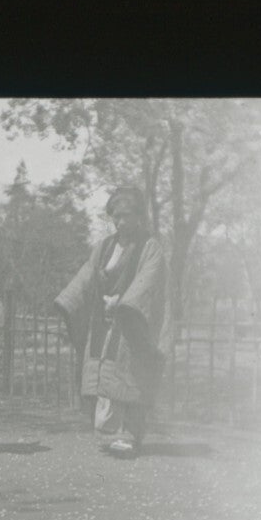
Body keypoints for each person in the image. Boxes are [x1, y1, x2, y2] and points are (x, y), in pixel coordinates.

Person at [54, 185, 172, 458]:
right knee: (106, 372)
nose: (121, 222)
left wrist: (124, 302)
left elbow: (148, 281)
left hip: (132, 319)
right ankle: (113, 430)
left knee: (131, 374)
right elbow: (88, 275)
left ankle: (130, 434)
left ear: (139, 216)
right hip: (105, 320)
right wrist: (69, 299)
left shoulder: (150, 247)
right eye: (116, 216)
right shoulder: (105, 246)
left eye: (127, 216)